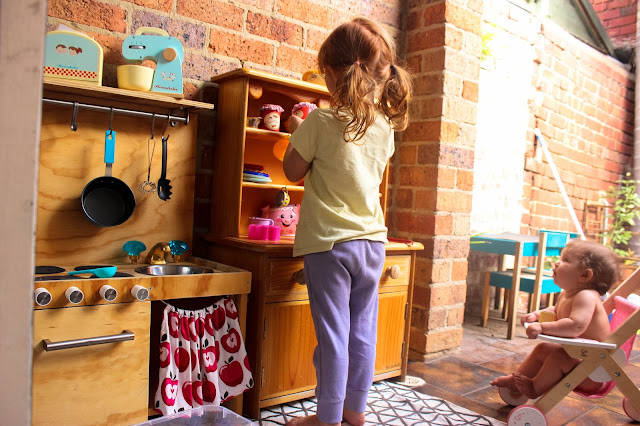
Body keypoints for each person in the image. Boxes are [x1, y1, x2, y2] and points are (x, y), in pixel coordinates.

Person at [282, 17, 412, 426]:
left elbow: (291, 170)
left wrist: (295, 131)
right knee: (361, 334)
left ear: (334, 73)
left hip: (329, 245)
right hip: (372, 244)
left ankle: (327, 420)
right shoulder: (385, 128)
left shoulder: (319, 122)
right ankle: (355, 413)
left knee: (333, 337)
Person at [490, 239, 621, 399]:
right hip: (579, 360)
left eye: (566, 260)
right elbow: (557, 311)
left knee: (558, 356)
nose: (557, 263)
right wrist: (537, 315)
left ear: (585, 275)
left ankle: (534, 388)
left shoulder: (586, 296)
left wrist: (542, 327)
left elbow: (576, 326)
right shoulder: (569, 294)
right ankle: (516, 380)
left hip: (593, 372)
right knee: (543, 349)